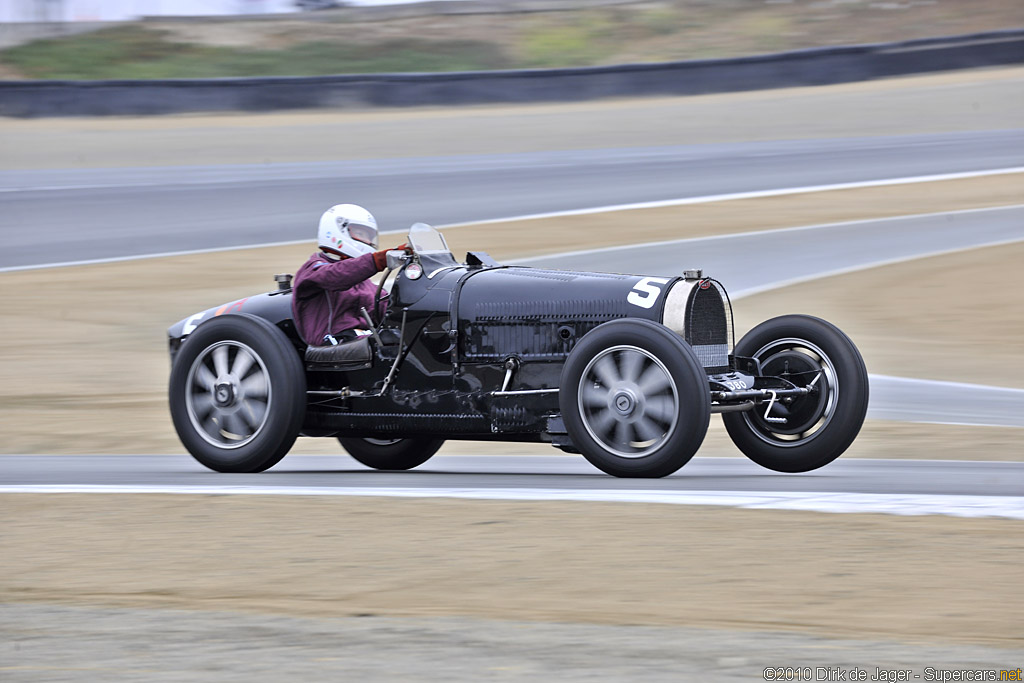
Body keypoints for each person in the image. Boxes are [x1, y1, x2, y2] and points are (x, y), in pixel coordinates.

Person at [291, 204, 404, 346]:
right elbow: (336, 276)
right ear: (338, 230)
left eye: (369, 237)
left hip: (361, 341)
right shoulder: (314, 268)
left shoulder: (365, 283)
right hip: (330, 341)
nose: (368, 242)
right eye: (361, 234)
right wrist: (379, 260)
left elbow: (387, 310)